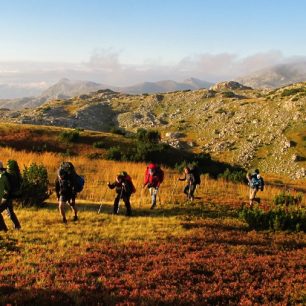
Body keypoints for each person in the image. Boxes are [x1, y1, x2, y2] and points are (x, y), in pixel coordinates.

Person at [0, 161, 21, 231]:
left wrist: (4, 199)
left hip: (6, 198)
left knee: (10, 212)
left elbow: (7, 188)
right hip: (8, 197)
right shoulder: (4, 174)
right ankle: (17, 226)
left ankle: (3, 229)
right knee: (10, 212)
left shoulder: (3, 176)